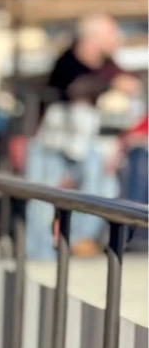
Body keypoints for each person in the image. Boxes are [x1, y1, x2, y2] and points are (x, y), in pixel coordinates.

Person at [26, 14, 141, 259]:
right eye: (112, 34)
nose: (117, 39)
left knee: (103, 190)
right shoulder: (67, 61)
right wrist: (112, 85)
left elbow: (130, 85)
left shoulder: (109, 64)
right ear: (93, 38)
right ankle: (39, 254)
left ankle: (78, 240)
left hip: (92, 143)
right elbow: (74, 88)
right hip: (54, 142)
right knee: (43, 197)